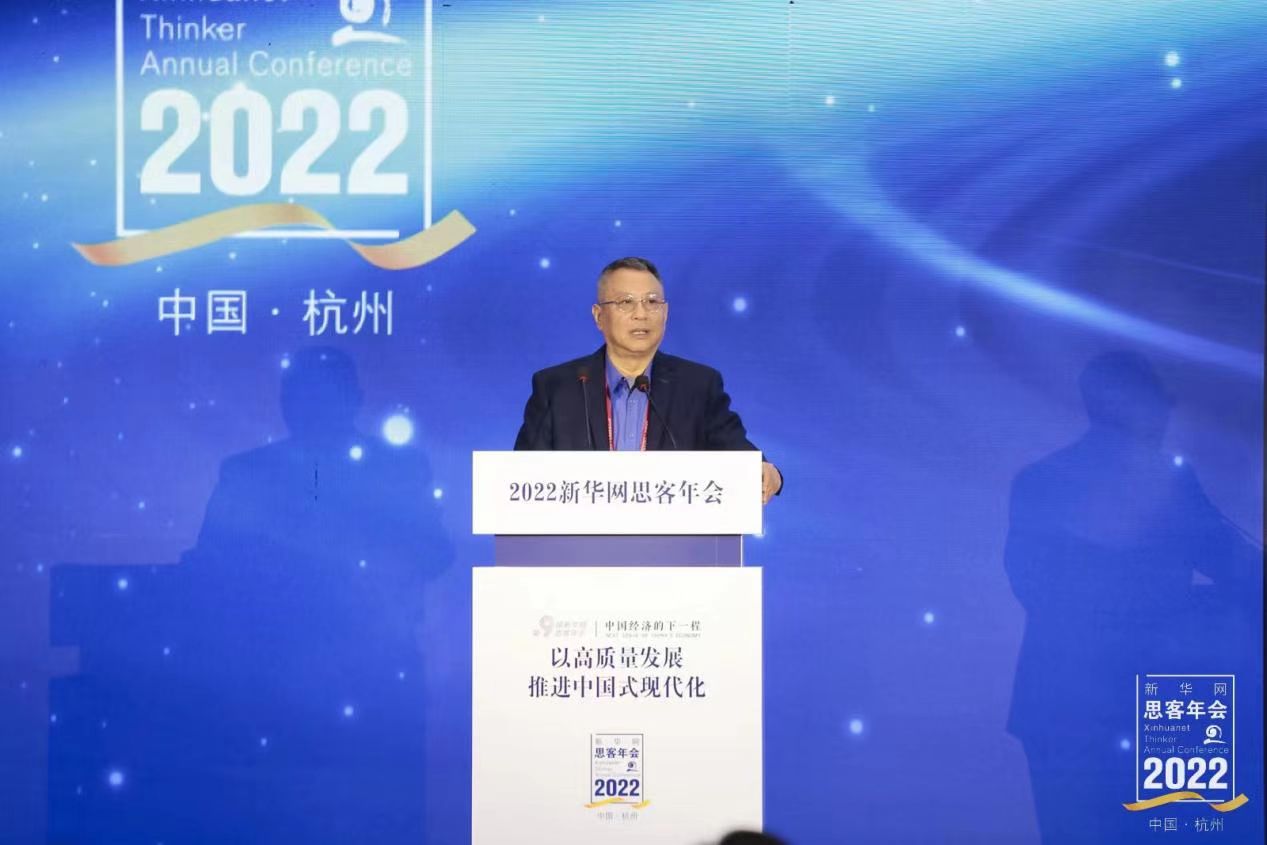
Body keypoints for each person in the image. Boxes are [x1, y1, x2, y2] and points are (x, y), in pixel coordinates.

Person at [514, 256, 783, 504]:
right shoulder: (557, 387)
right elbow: (521, 483)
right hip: (576, 539)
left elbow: (736, 449)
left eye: (652, 302)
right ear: (599, 316)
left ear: (665, 313)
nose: (641, 314)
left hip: (674, 539)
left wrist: (764, 470)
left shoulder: (698, 386)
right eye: (625, 302)